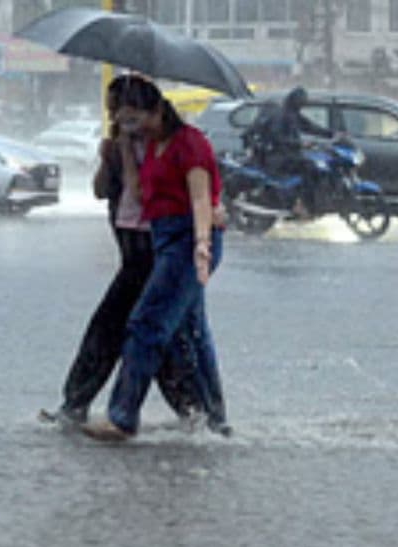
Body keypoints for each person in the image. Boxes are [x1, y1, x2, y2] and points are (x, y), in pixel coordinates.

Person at [41, 75, 204, 428]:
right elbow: (101, 191)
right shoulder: (119, 145)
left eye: (123, 109)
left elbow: (147, 194)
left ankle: (192, 414)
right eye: (113, 110)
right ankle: (194, 414)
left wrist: (131, 158)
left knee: (133, 331)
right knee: (137, 333)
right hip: (131, 251)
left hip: (159, 252)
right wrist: (108, 156)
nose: (117, 116)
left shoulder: (167, 145)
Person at [81, 80, 227, 441]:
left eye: (137, 118)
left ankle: (122, 416)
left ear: (158, 110)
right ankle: (214, 419)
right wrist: (124, 152)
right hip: (165, 239)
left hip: (188, 240)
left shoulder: (189, 143)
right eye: (125, 120)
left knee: (146, 325)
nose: (134, 126)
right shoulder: (152, 146)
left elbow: (199, 199)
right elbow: (138, 192)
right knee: (193, 334)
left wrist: (203, 246)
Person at [246, 86, 331, 215]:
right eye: (302, 101)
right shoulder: (281, 116)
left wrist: (332, 134)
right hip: (277, 157)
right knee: (310, 168)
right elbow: (278, 138)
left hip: (287, 154)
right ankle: (301, 203)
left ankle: (306, 201)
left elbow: (311, 127)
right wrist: (300, 144)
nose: (303, 104)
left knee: (314, 165)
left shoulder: (293, 115)